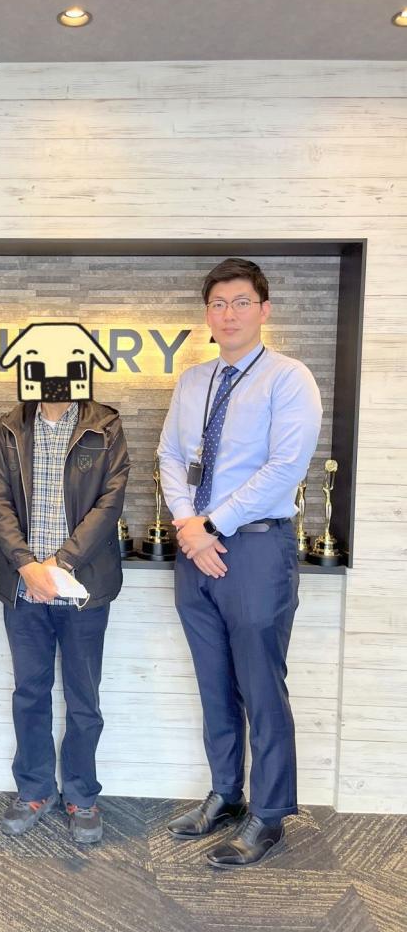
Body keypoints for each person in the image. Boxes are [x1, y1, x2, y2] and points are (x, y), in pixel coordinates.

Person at [158, 257, 322, 867]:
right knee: (213, 684)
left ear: (264, 309)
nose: (228, 314)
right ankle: (226, 794)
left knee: (260, 687)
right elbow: (170, 455)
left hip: (254, 547)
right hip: (194, 551)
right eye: (218, 304)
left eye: (241, 302)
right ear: (207, 313)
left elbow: (286, 466)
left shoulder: (288, 378)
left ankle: (269, 815)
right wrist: (188, 525)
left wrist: (211, 525)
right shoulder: (193, 380)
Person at [0, 388, 130, 844]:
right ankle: (34, 790)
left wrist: (60, 564)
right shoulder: (11, 426)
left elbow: (110, 503)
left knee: (84, 699)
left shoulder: (104, 426)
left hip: (82, 588)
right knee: (29, 694)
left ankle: (82, 795)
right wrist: (27, 566)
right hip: (25, 588)